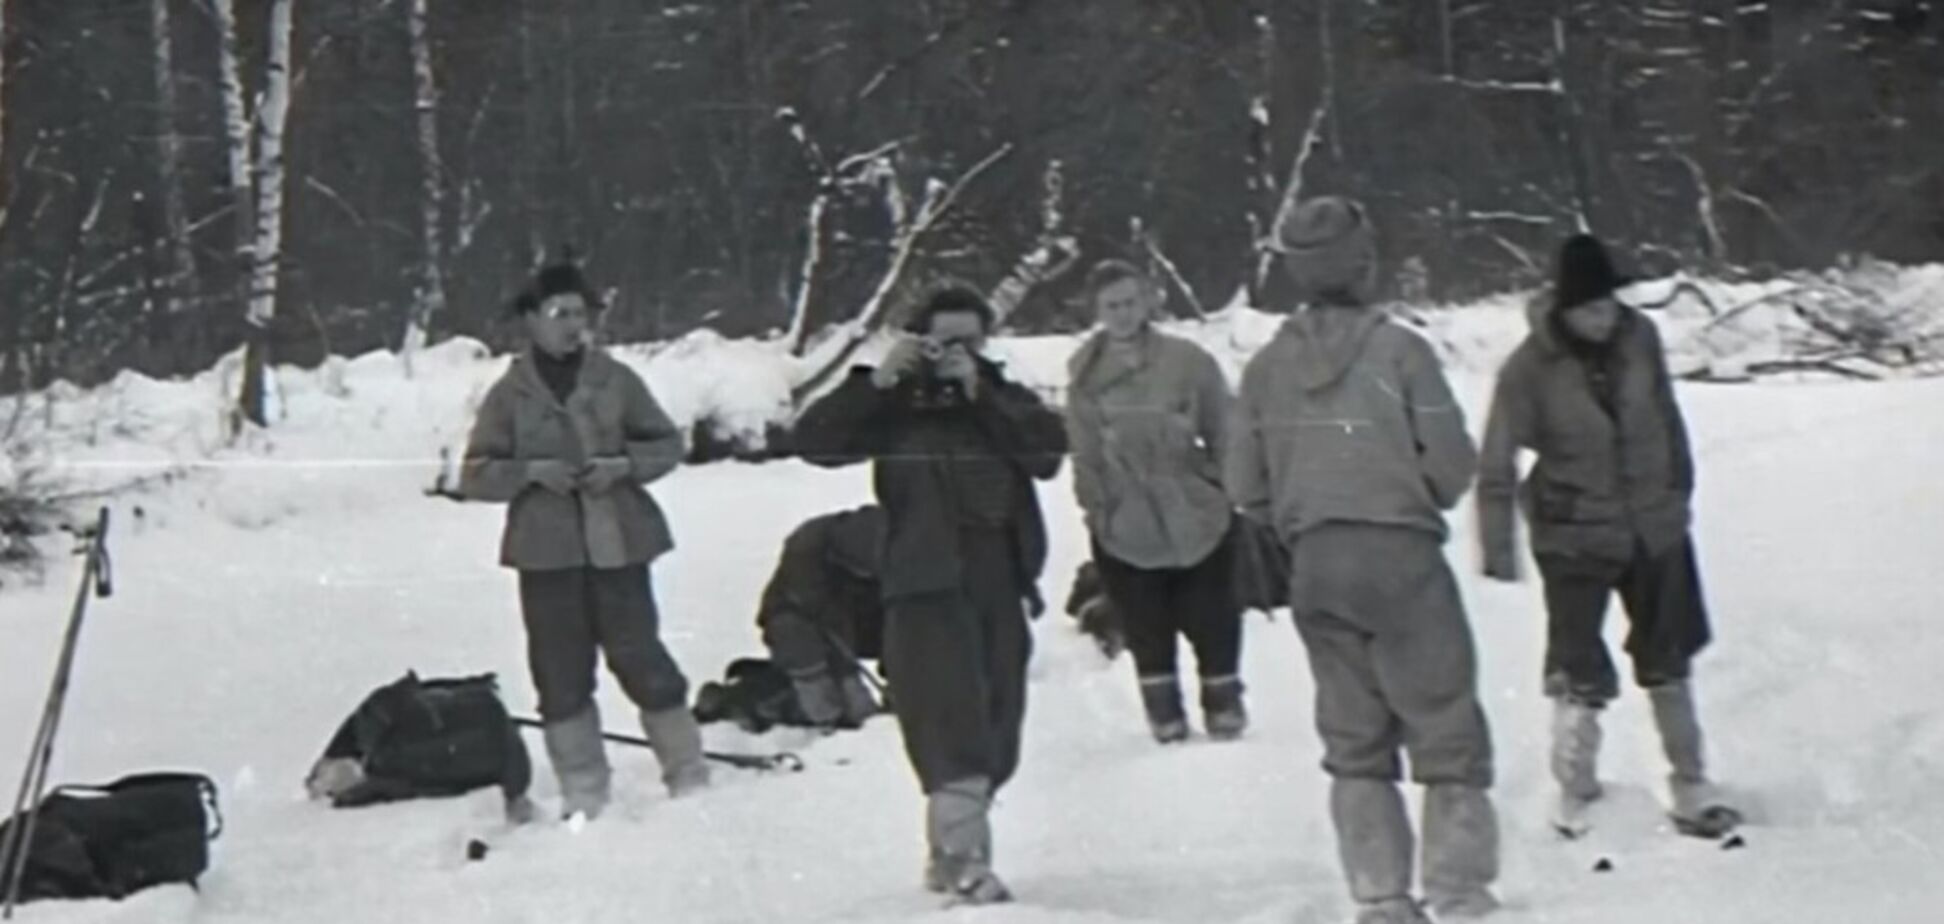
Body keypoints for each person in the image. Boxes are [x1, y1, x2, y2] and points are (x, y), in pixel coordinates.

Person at [1227, 196, 1500, 924]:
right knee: (1444, 722)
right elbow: (1450, 461)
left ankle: (1379, 895)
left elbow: (1243, 483)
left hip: (1316, 561)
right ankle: (1459, 890)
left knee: (1352, 737)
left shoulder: (1264, 369)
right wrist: (1420, 490)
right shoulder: (1401, 350)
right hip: (1402, 553)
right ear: (1360, 261)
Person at [794, 286, 1066, 905]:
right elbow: (814, 442)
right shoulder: (894, 403)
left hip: (998, 571)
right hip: (924, 577)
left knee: (1000, 719)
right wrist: (877, 384)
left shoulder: (996, 393)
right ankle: (965, 859)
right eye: (943, 340)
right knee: (949, 719)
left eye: (969, 340)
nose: (955, 352)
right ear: (920, 339)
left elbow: (1048, 451)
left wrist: (981, 391)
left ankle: (950, 852)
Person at [1477, 233, 1741, 839]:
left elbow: (1667, 416)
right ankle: (1576, 792)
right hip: (1574, 537)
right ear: (1564, 308)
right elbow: (1495, 461)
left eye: (1609, 305)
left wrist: (1677, 494)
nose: (1603, 318)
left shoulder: (1640, 338)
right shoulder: (1527, 367)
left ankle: (1691, 783)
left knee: (1669, 656)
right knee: (1578, 669)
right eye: (1589, 309)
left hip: (1654, 526)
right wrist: (1498, 550)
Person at [459, 261, 710, 821]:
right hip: (546, 555)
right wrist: (530, 472)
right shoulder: (509, 394)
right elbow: (473, 474)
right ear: (530, 321)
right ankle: (584, 790)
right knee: (559, 670)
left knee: (642, 657)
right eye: (559, 314)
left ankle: (688, 773)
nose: (574, 325)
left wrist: (621, 465)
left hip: (619, 543)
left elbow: (667, 444)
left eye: (581, 313)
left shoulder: (616, 379)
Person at [1064, 259, 1247, 743]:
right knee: (1145, 620)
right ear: (1097, 310)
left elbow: (1225, 430)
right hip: (1127, 518)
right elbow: (1084, 452)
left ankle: (1224, 704)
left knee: (1213, 614)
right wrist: (1098, 510)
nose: (1122, 314)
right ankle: (1164, 715)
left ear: (1148, 301)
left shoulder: (1188, 362)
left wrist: (1226, 492)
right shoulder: (1085, 374)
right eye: (1111, 305)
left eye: (1130, 301)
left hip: (1194, 507)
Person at [755, 504, 888, 729]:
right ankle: (821, 714)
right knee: (795, 634)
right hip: (806, 625)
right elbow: (829, 620)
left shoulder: (900, 539)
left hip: (865, 619)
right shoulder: (807, 555)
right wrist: (849, 681)